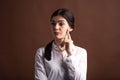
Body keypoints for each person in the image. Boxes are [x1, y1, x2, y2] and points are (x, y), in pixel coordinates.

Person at [35, 8, 87, 80]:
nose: (56, 27)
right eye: (53, 23)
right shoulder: (41, 52)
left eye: (61, 24)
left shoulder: (81, 52)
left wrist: (70, 54)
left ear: (70, 27)